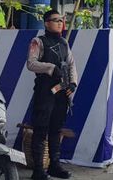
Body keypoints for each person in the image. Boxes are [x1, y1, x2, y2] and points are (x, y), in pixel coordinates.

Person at [26, 10, 78, 180]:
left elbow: (71, 65)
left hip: (61, 92)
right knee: (41, 129)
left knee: (56, 129)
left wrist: (72, 83)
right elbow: (31, 64)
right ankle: (39, 170)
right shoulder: (37, 42)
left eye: (61, 20)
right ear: (46, 23)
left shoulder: (64, 43)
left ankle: (54, 166)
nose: (59, 23)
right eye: (55, 20)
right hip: (44, 91)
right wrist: (50, 68)